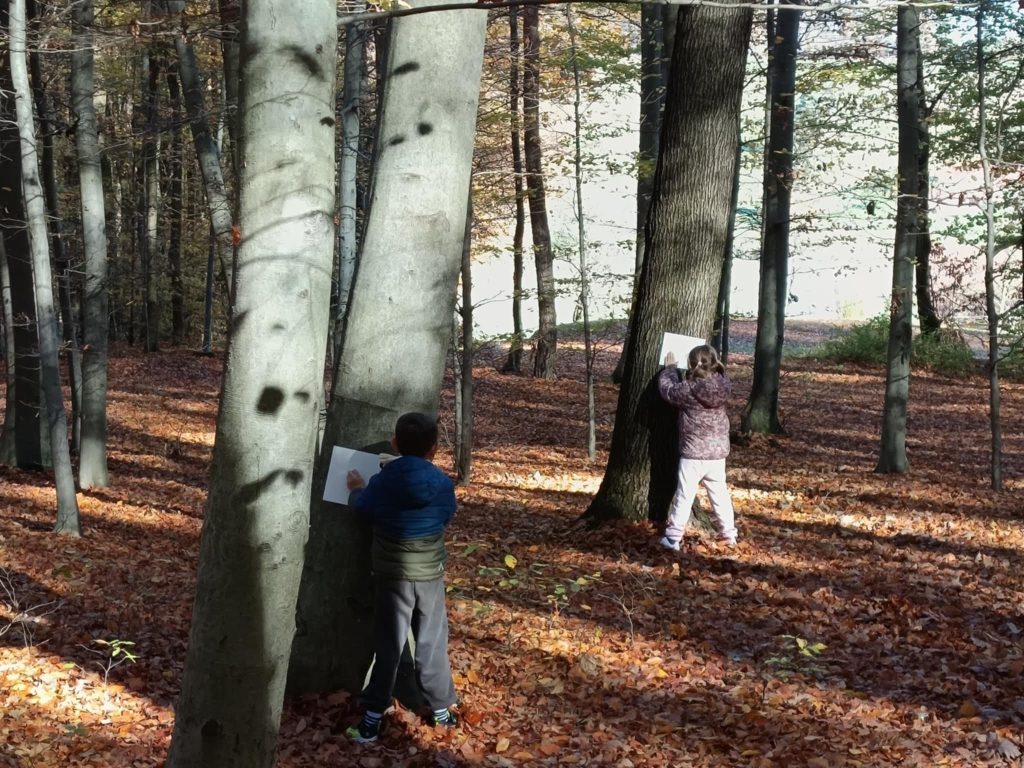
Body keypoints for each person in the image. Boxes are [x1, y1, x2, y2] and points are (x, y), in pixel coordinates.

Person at [344, 412, 458, 744]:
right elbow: (446, 515)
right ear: (434, 448)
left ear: (394, 443)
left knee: (388, 647)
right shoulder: (442, 483)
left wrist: (356, 489)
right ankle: (442, 713)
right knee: (432, 643)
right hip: (429, 576)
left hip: (392, 578)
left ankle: (370, 723)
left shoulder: (382, 482)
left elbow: (364, 510)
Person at [657, 344, 738, 551]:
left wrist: (670, 370)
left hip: (693, 453)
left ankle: (673, 537)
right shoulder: (724, 384)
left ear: (692, 365)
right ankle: (729, 535)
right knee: (720, 494)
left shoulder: (688, 389)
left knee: (685, 495)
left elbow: (668, 391)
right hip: (717, 453)